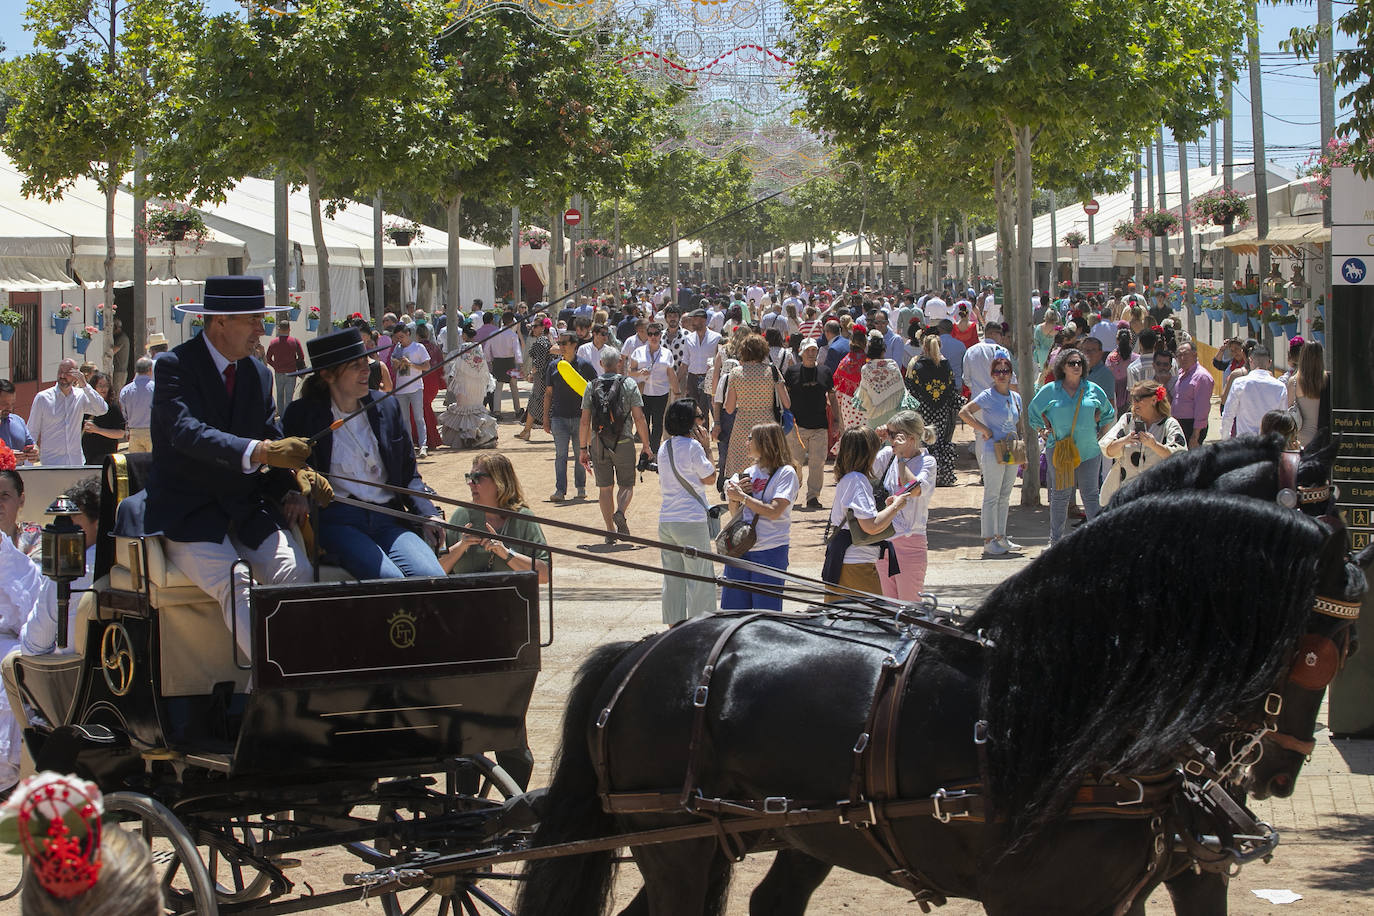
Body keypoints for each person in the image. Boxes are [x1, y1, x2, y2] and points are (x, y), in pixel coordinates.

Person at [147, 275, 316, 660]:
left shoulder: (257, 373)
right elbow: (184, 432)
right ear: (219, 321)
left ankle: (301, 669)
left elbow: (270, 437)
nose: (262, 329)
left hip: (245, 510)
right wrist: (257, 452)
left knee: (295, 570)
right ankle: (278, 681)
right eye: (253, 319)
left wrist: (291, 483)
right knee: (236, 580)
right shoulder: (175, 366)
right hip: (188, 513)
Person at [282, 329, 446, 580]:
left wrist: (427, 514)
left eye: (366, 363)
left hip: (388, 517)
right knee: (390, 580)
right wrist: (294, 492)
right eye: (355, 365)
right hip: (338, 521)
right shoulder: (302, 415)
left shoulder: (386, 405)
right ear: (327, 375)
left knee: (432, 576)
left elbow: (409, 475)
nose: (366, 371)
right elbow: (285, 467)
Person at [1027, 347, 1116, 545]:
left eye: (1079, 363)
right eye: (1072, 363)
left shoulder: (1092, 389)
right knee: (1060, 496)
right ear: (1062, 367)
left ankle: (1096, 542)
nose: (1076, 366)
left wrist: (1100, 425)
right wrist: (1042, 429)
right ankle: (1055, 541)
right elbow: (1033, 412)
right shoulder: (1051, 389)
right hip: (1059, 450)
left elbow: (1109, 411)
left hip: (1089, 451)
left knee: (1091, 495)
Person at [823, 426, 912, 601]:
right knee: (869, 622)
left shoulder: (849, 478)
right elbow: (871, 526)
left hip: (846, 561)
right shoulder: (857, 480)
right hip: (856, 566)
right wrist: (896, 507)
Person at [721, 422, 799, 611]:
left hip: (770, 551)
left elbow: (775, 511)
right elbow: (736, 513)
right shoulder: (748, 472)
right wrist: (734, 499)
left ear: (764, 443)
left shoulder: (786, 473)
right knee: (734, 613)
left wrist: (743, 497)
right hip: (740, 549)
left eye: (750, 438)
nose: (746, 442)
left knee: (766, 616)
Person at [579, 349, 653, 542]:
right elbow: (639, 417)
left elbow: (585, 421)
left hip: (599, 443)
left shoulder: (591, 385)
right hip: (624, 440)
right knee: (626, 484)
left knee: (605, 488)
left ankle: (610, 530)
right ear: (620, 362)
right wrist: (646, 445)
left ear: (602, 364)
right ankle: (620, 511)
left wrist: (582, 448)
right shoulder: (629, 384)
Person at [440, 453, 549, 582]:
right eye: (469, 477)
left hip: (510, 600)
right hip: (466, 600)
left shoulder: (522, 518)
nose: (470, 483)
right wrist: (460, 547)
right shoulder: (462, 515)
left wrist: (506, 554)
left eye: (477, 478)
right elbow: (435, 571)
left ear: (499, 482)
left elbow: (544, 575)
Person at [657, 398, 718, 623]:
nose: (703, 422)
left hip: (667, 520)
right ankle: (700, 629)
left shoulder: (665, 447)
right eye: (700, 417)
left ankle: (674, 628)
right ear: (690, 423)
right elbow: (710, 478)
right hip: (690, 521)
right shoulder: (693, 447)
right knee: (700, 578)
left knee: (673, 578)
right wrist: (708, 448)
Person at [959, 352, 1023, 555]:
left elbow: (1017, 423)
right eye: (997, 371)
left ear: (1010, 374)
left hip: (1011, 448)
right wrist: (984, 429)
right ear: (992, 374)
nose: (1001, 374)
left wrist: (1023, 450)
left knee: (1005, 495)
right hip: (992, 448)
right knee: (992, 495)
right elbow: (964, 412)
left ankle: (1001, 536)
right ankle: (988, 540)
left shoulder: (1016, 397)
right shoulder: (987, 395)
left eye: (1005, 371)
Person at [872, 411, 937, 598]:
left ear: (910, 438)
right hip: (883, 542)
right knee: (888, 609)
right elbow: (861, 469)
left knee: (910, 609)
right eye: (889, 434)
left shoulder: (927, 462)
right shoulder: (887, 454)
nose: (890, 439)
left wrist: (901, 458)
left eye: (894, 435)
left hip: (910, 543)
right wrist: (876, 439)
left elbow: (913, 489)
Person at [1099, 380, 1189, 505]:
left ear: (1153, 400)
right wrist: (1123, 441)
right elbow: (1108, 450)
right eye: (1132, 398)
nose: (1134, 403)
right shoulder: (1128, 420)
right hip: (1128, 494)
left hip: (1157, 495)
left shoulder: (1169, 424)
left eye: (1138, 398)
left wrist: (1154, 445)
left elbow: (1180, 457)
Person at [723, 334, 789, 480]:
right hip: (767, 426)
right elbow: (787, 402)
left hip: (743, 426)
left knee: (741, 470)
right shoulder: (772, 371)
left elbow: (729, 408)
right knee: (767, 467)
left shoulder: (735, 373)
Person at [783, 339, 836, 510]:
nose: (811, 353)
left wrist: (837, 420)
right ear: (801, 352)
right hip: (797, 427)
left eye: (814, 350)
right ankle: (791, 494)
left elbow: (833, 398)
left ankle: (813, 496)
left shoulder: (825, 372)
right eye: (808, 350)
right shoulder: (791, 372)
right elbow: (784, 397)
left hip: (820, 426)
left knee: (818, 463)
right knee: (794, 463)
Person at [543, 333, 595, 502]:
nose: (561, 346)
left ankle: (581, 487)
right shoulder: (553, 366)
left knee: (581, 454)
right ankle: (560, 490)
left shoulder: (585, 365)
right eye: (560, 343)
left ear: (574, 345)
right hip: (559, 417)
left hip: (581, 418)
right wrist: (545, 418)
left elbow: (594, 390)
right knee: (561, 455)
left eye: (565, 343)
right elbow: (548, 393)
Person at [28, 358, 108, 466]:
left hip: (76, 462)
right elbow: (31, 431)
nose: (62, 376)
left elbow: (102, 409)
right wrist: (28, 464)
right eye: (60, 372)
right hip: (51, 464)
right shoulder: (43, 398)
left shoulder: (81, 396)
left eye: (67, 373)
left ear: (76, 375)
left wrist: (85, 385)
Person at [906, 335, 960, 486]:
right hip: (942, 410)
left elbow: (911, 388)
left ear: (924, 347)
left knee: (925, 440)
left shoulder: (918, 366)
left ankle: (925, 475)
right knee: (941, 440)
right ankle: (943, 475)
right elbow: (951, 389)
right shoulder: (946, 365)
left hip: (924, 410)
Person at [627, 321, 678, 454]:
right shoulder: (638, 352)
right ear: (647, 335)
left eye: (656, 334)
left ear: (660, 335)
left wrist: (676, 392)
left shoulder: (667, 353)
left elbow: (671, 374)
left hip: (661, 393)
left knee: (657, 423)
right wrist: (639, 373)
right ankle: (646, 448)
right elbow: (630, 371)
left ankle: (654, 452)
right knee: (643, 422)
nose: (653, 337)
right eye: (650, 334)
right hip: (643, 393)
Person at [1221, 346, 1288, 438]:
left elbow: (1228, 414)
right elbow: (1283, 419)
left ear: (1250, 360)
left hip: (1245, 444)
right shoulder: (1280, 387)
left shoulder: (1240, 383)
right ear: (1269, 363)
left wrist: (1225, 438)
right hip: (1269, 444)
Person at [388, 324, 431, 458]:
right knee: (405, 419)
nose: (400, 340)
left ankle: (423, 445)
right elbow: (393, 366)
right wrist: (396, 363)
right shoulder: (397, 348)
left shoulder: (418, 347)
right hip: (401, 388)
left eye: (401, 336)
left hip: (416, 387)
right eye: (397, 337)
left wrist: (410, 364)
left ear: (408, 334)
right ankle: (409, 446)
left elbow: (426, 366)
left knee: (419, 417)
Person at [855, 330, 906, 431]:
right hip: (893, 414)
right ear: (884, 351)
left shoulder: (866, 369)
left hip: (874, 414)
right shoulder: (893, 365)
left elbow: (863, 393)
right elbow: (901, 390)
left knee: (875, 443)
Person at [1170, 341, 1215, 448]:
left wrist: (1195, 435)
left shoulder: (1201, 376)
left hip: (1191, 425)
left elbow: (1202, 407)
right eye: (1179, 355)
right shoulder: (1181, 373)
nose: (1182, 358)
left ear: (1195, 354)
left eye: (1185, 354)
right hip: (1179, 423)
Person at [515, 318, 553, 441]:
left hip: (541, 378)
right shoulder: (546, 340)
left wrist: (532, 372)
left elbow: (540, 362)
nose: (533, 329)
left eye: (535, 326)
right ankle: (526, 430)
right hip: (543, 377)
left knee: (539, 402)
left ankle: (527, 430)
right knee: (534, 402)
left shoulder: (542, 341)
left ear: (542, 327)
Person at [1287, 340, 1330, 448]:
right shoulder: (1328, 380)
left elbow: (1289, 411)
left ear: (1302, 357)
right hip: (1324, 439)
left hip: (1301, 441)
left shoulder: (1294, 382)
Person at [79, 372, 126, 464]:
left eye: (106, 385)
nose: (103, 389)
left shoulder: (112, 407)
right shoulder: (85, 406)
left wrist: (97, 430)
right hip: (87, 457)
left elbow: (120, 433)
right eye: (100, 385)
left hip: (106, 456)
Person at [484, 311, 523, 419]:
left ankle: (497, 412)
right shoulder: (513, 335)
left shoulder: (493, 334)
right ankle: (518, 410)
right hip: (510, 362)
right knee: (514, 387)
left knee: (498, 388)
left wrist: (489, 360)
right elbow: (517, 351)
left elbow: (487, 350)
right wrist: (520, 363)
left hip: (497, 362)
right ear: (512, 321)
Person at [963, 322, 1016, 402]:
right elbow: (1010, 378)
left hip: (977, 402)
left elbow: (966, 379)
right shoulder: (1001, 350)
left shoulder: (970, 351)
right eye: (1001, 334)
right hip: (998, 402)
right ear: (993, 334)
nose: (1002, 338)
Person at [264, 320, 305, 417]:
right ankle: (288, 416)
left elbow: (268, 358)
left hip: (279, 372)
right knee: (289, 396)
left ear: (279, 329)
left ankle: (281, 416)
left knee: (280, 395)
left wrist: (276, 365)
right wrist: (295, 364)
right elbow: (301, 356)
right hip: (291, 372)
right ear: (289, 329)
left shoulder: (273, 342)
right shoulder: (295, 341)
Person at [832, 334, 868, 437]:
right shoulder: (868, 361)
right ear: (865, 344)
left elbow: (836, 383)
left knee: (850, 435)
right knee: (866, 435)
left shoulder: (845, 361)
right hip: (866, 402)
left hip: (849, 403)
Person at [415, 324, 445, 447]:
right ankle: (430, 438)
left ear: (416, 335)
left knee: (422, 408)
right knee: (425, 407)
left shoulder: (416, 348)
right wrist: (441, 383)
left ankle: (429, 439)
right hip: (433, 383)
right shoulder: (435, 348)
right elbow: (441, 366)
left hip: (421, 381)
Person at [0, 379, 40, 465]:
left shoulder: (18, 421)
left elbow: (32, 444)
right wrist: (7, 456)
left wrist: (34, 452)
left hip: (19, 475)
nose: (10, 408)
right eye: (5, 404)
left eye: (12, 404)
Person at [119, 358, 155, 453]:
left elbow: (123, 413)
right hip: (152, 431)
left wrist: (127, 430)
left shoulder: (126, 390)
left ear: (136, 370)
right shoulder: (155, 388)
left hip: (134, 431)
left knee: (137, 464)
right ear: (150, 369)